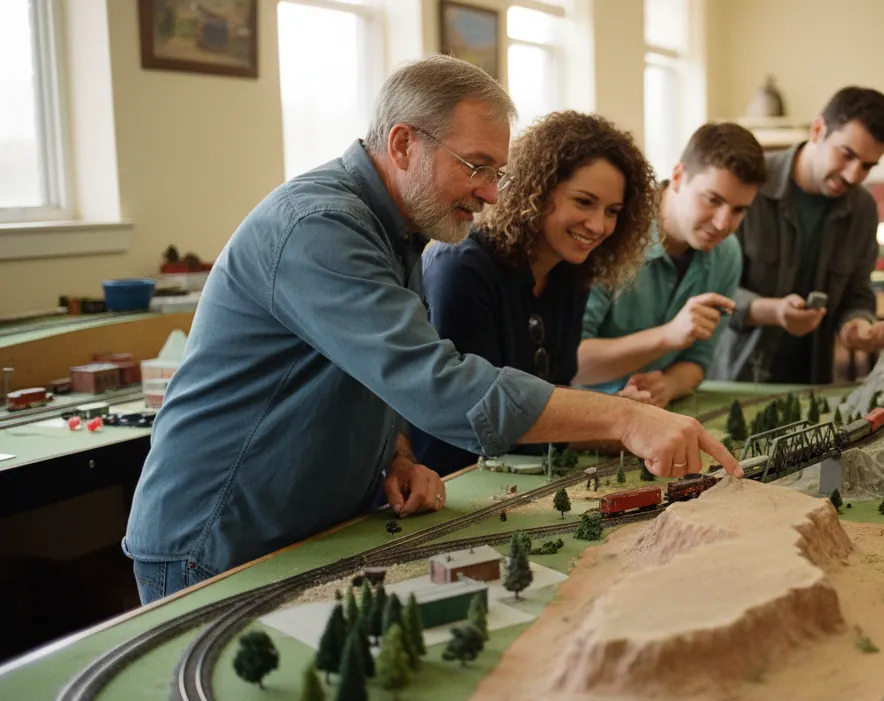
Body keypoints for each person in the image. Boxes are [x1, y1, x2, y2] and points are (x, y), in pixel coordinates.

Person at [122, 57, 739, 604]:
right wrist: (625, 419)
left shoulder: (401, 226)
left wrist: (396, 453)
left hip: (298, 529)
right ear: (402, 144)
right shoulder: (319, 227)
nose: (493, 194)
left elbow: (369, 364)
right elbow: (437, 383)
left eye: (499, 171)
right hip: (217, 537)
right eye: (477, 167)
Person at [410, 111, 659, 476]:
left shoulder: (573, 271)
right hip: (451, 478)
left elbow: (554, 389)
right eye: (584, 202)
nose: (599, 225)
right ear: (538, 192)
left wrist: (614, 413)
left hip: (522, 472)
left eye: (613, 211)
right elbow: (483, 414)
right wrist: (613, 422)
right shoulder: (462, 267)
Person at [708, 86, 884, 384]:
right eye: (846, 155)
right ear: (818, 129)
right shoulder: (750, 187)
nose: (853, 175)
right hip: (734, 376)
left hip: (811, 382)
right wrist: (772, 311)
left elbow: (858, 292)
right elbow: (711, 288)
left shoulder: (862, 209)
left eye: (867, 166)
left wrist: (858, 324)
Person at [574, 122, 767, 406]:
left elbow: (699, 359)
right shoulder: (608, 230)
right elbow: (571, 363)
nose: (723, 223)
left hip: (657, 418)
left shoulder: (728, 253)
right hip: (582, 417)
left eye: (739, 210)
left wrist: (670, 384)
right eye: (713, 200)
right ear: (678, 176)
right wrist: (667, 336)